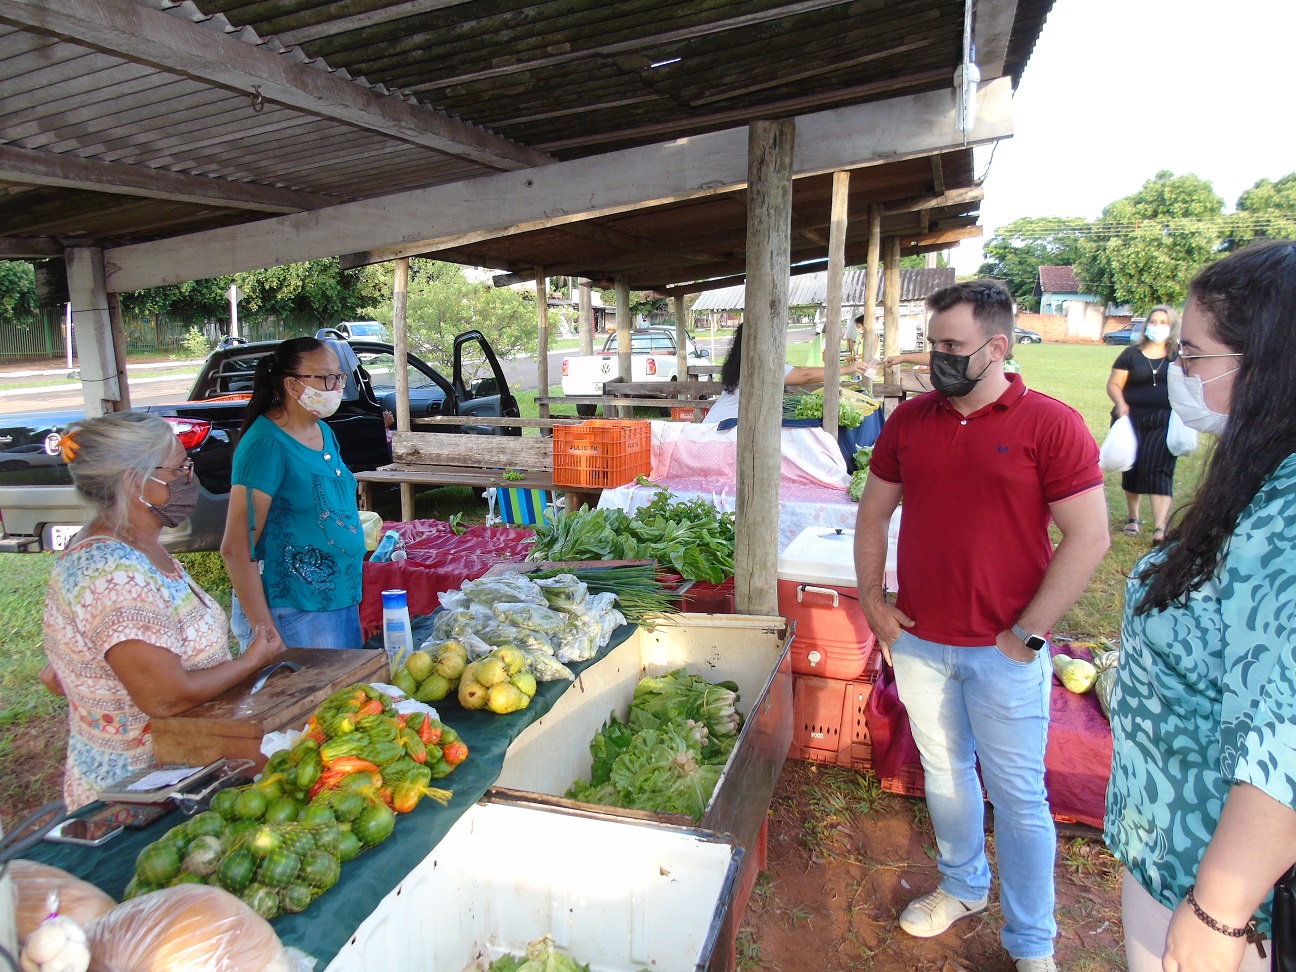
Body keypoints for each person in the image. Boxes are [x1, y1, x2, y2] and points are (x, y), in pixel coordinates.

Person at [853, 279, 1110, 972]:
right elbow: (873, 513)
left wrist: (1028, 634)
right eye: (931, 343)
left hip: (1004, 652)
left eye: (951, 345)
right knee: (945, 773)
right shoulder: (910, 421)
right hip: (920, 641)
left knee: (1020, 798)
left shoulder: (1051, 424)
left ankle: (1032, 942)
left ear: (996, 347)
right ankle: (964, 885)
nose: (935, 358)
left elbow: (1090, 537)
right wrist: (874, 602)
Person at [1106, 240, 1296, 972]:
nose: (1177, 371)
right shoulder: (1262, 474)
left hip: (1216, 887)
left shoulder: (1287, 513)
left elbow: (1284, 732)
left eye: (1192, 355)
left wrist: (1220, 908)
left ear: (1270, 361)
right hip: (1173, 845)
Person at [40, 412, 283, 810]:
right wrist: (251, 660)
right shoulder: (114, 573)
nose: (190, 478)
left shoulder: (138, 549)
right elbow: (165, 698)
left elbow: (64, 670)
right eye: (179, 468)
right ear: (136, 482)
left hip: (177, 770)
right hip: (137, 796)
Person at [220, 337, 366, 650]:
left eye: (340, 377)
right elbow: (236, 547)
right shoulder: (266, 444)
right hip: (296, 610)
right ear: (293, 385)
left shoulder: (323, 431)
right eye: (326, 378)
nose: (337, 387)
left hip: (341, 597)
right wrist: (266, 634)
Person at [1105, 304, 1180, 543]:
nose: (1157, 326)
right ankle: (1133, 518)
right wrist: (1120, 403)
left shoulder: (1178, 356)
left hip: (1164, 419)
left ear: (1172, 327)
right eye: (1153, 322)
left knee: (1159, 467)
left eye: (1163, 323)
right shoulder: (1131, 355)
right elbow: (1114, 384)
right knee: (1133, 467)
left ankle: (1160, 527)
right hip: (1130, 419)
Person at [703, 323, 871, 425]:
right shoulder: (762, 366)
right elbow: (805, 376)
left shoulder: (744, 364)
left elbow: (801, 373)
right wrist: (846, 369)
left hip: (717, 426)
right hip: (723, 431)